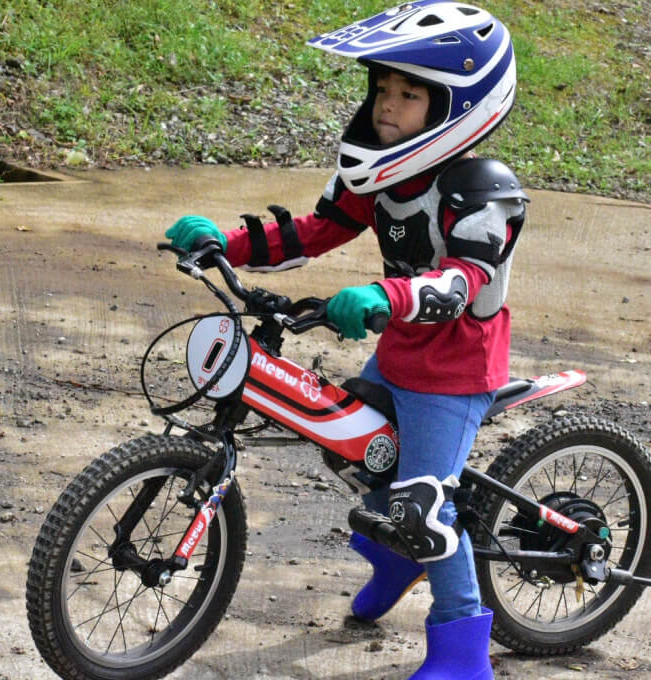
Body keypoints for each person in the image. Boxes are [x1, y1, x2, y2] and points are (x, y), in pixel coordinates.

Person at [166, 2, 529, 678]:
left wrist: (381, 297)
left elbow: (460, 280)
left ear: (459, 105)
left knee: (424, 503)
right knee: (363, 463)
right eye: (383, 89)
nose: (388, 105)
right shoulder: (385, 174)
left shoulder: (483, 192)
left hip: (453, 369)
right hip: (397, 353)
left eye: (410, 93)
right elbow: (314, 230)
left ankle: (462, 651)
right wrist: (228, 241)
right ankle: (396, 562)